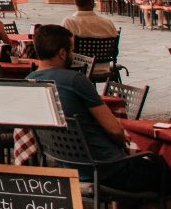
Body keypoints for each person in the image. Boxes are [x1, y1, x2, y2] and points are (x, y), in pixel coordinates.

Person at [28, 24, 170, 196]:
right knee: (163, 170)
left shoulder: (29, 82)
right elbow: (114, 129)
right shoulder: (75, 80)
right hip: (107, 168)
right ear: (62, 53)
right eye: (72, 49)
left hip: (69, 166)